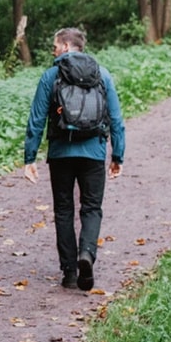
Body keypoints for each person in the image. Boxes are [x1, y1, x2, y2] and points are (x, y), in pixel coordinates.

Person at [24, 27, 125, 291]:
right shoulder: (102, 74)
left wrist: (29, 157)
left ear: (67, 46)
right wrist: (118, 155)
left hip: (60, 154)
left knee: (64, 211)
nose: (53, 51)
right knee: (91, 208)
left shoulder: (51, 76)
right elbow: (115, 118)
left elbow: (36, 119)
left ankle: (69, 272)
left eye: (56, 46)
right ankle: (87, 254)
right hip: (93, 152)